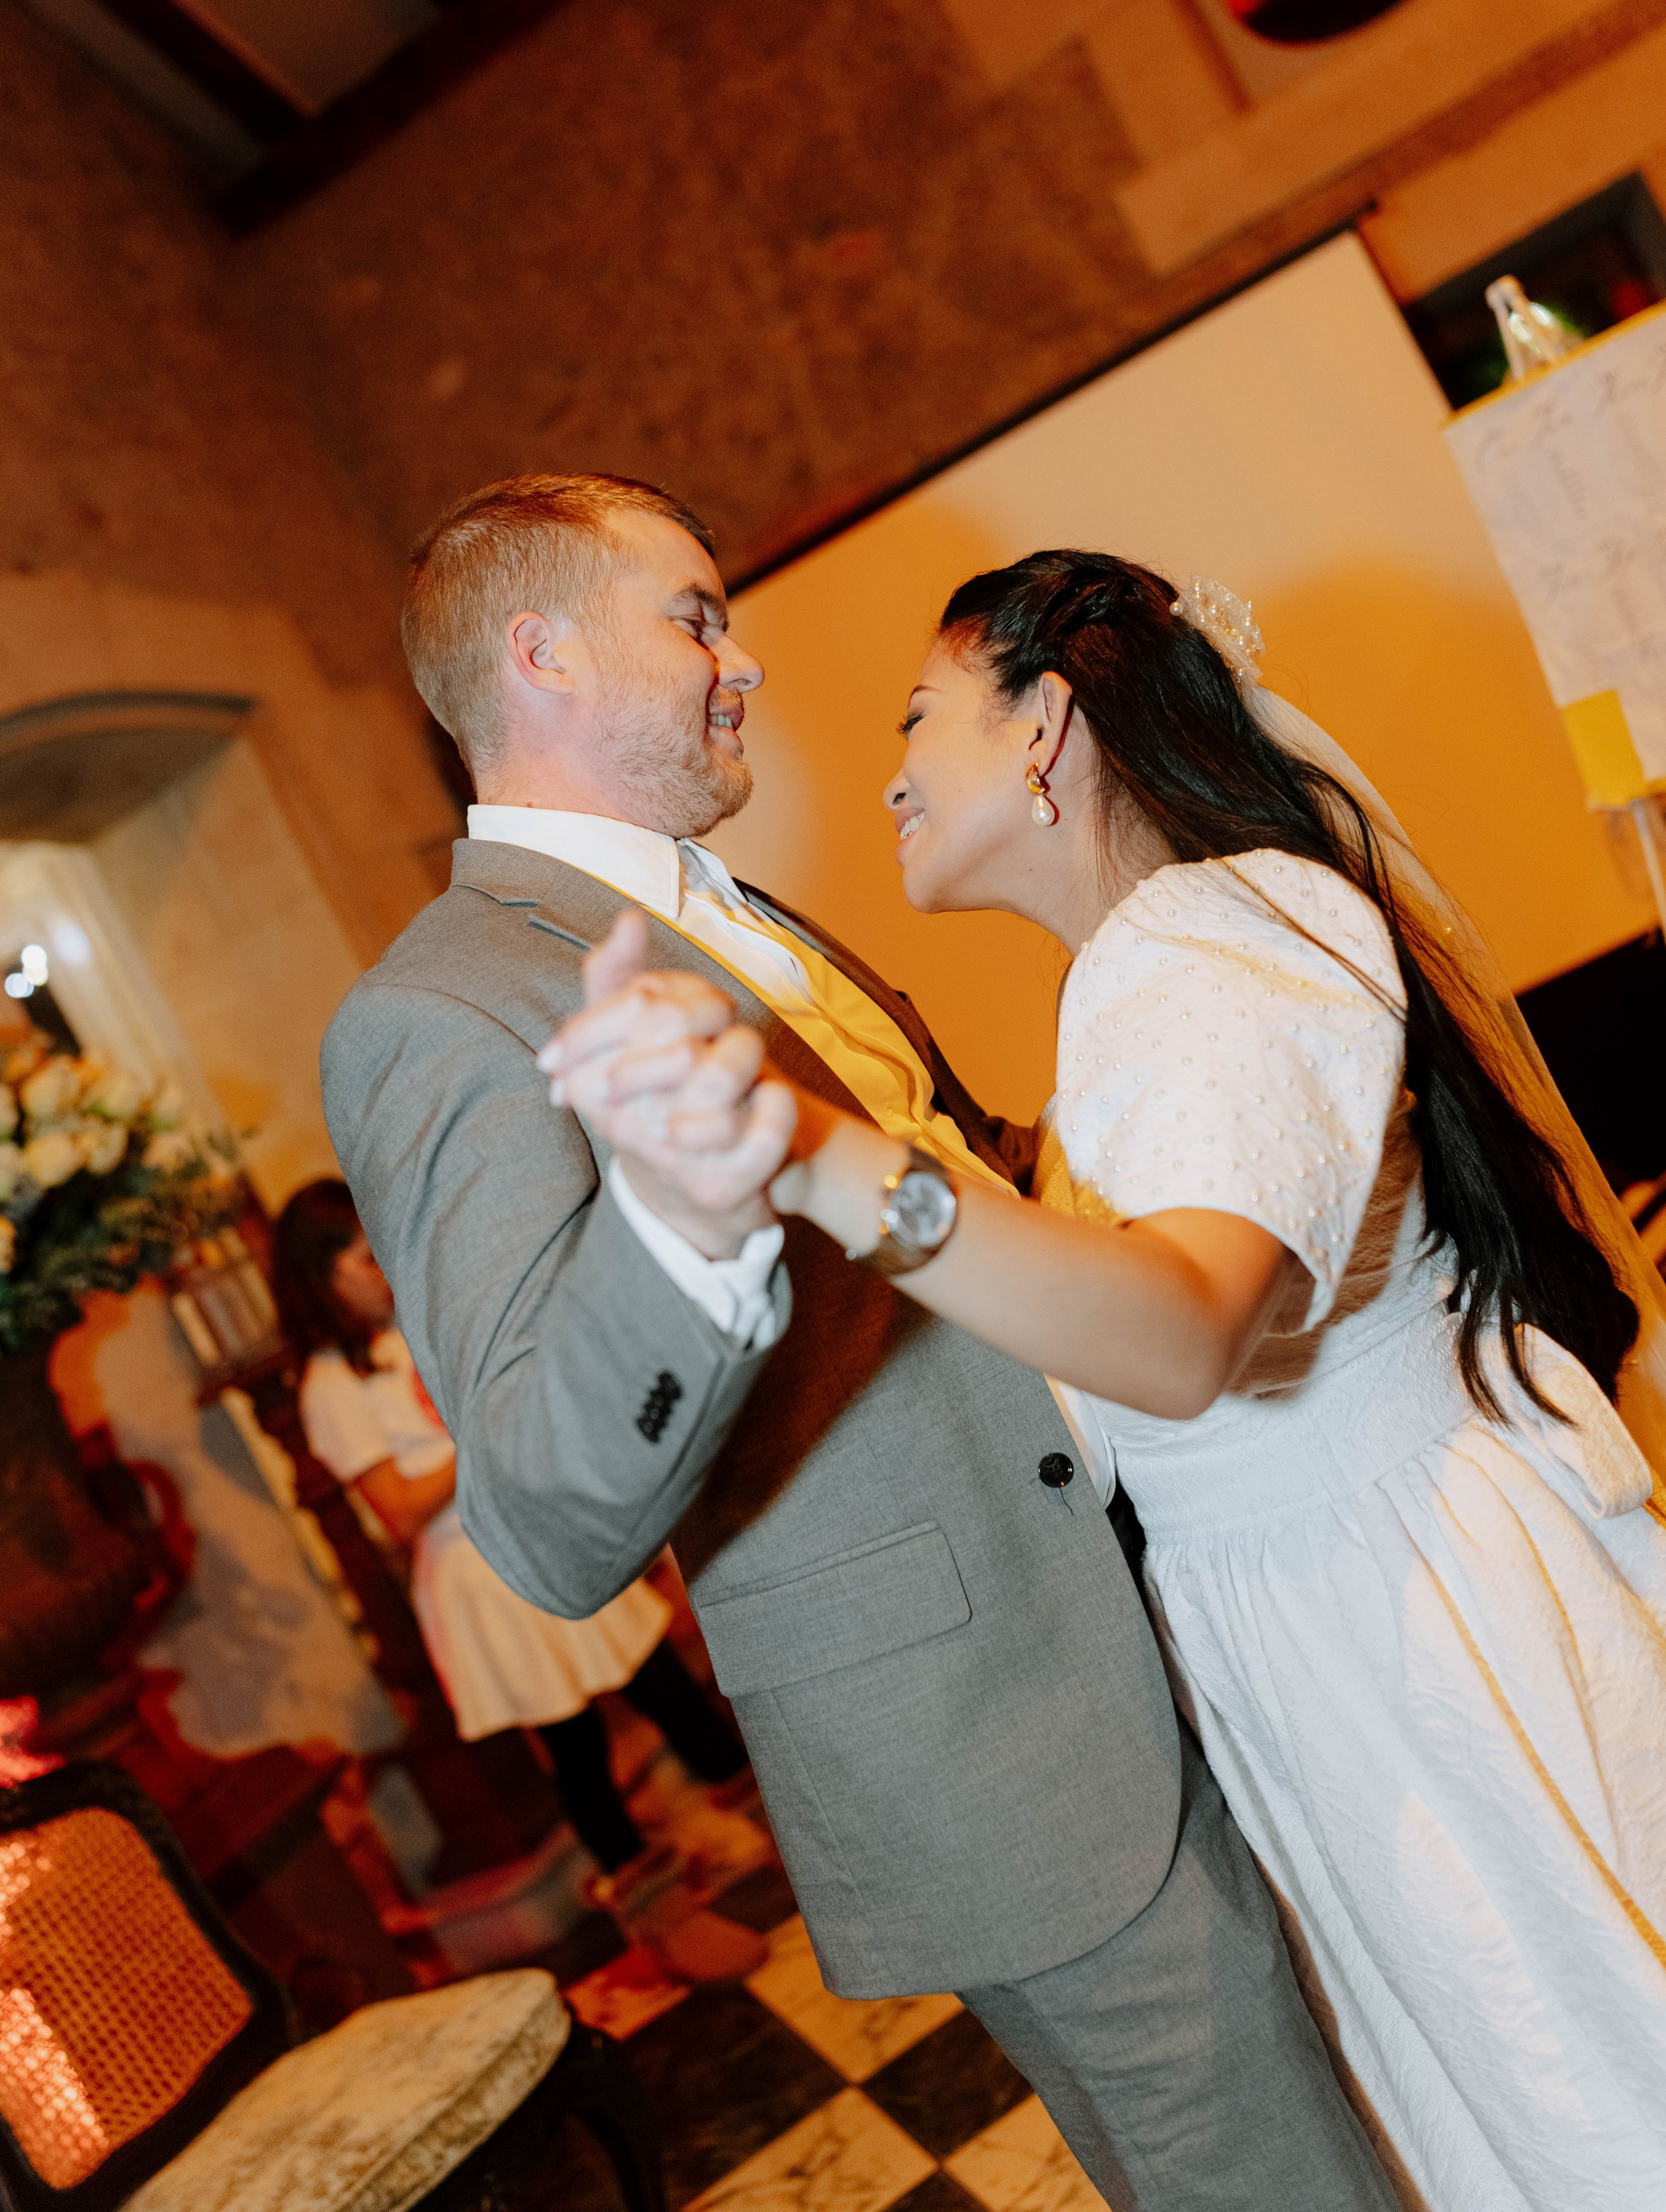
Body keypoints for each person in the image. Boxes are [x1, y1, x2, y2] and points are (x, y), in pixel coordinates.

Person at [321, 474, 1396, 2212]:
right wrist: (684, 1223)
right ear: (545, 655)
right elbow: (536, 1515)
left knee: (1372, 2106)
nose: (739, 660)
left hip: (1179, 1615)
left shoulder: (733, 913)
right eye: (694, 614)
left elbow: (948, 1224)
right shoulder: (437, 1011)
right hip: (1002, 1735)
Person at [550, 549, 1666, 2212]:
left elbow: (1172, 1331)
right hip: (1339, 1608)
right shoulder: (1165, 959)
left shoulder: (1204, 942)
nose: (887, 768)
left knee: (1579, 2087)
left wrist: (818, 1156)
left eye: (920, 716)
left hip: (1404, 1629)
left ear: (1043, 729)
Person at [270, 1177, 763, 1982]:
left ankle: (794, 1836)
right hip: (477, 1571)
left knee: (663, 1684)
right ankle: (666, 1922)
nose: (384, 1268)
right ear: (321, 1278)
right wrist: (481, 1433)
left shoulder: (417, 1322)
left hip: (536, 1524)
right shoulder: (329, 1385)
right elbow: (394, 1509)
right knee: (576, 1749)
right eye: (365, 1258)